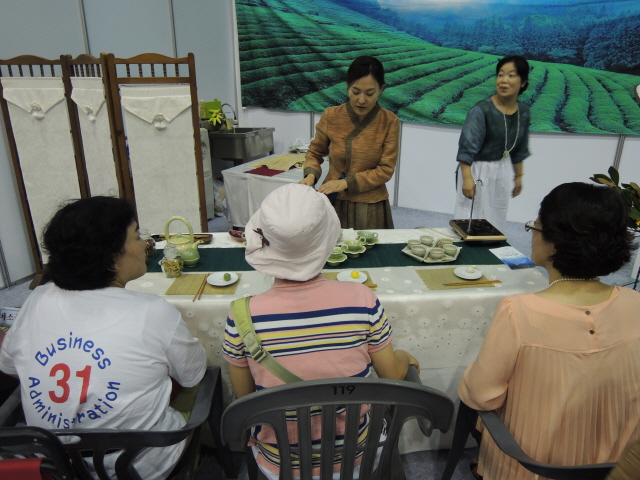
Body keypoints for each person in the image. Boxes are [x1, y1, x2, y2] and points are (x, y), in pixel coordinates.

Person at [0, 196, 207, 480]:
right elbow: (194, 376)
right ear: (112, 258)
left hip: (54, 464)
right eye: (137, 236)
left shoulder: (38, 298)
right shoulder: (152, 311)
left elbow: (9, 366)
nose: (146, 244)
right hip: (140, 464)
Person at [223, 183, 419, 479]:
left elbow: (244, 398)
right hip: (358, 460)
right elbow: (393, 375)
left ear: (262, 240)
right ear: (328, 238)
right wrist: (406, 358)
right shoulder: (363, 299)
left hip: (280, 466)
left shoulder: (240, 315)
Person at [458, 182, 640, 480]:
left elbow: (480, 396)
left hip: (530, 466)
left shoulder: (519, 311)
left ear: (554, 242)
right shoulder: (636, 304)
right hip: (617, 465)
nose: (532, 234)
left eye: (536, 226)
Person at [300, 56, 399, 230]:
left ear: (381, 90)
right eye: (355, 92)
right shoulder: (332, 115)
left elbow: (385, 170)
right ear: (347, 87)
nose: (361, 100)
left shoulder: (389, 121)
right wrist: (311, 175)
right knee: (331, 252)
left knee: (368, 253)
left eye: (370, 93)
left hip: (370, 203)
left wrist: (347, 183)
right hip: (333, 198)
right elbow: (315, 153)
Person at [453, 55, 531, 234]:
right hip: (476, 169)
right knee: (470, 217)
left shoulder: (523, 111)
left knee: (496, 214)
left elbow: (519, 147)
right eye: (500, 74)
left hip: (501, 169)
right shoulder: (480, 110)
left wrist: (518, 176)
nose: (504, 80)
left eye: (511, 75)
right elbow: (466, 148)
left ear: (523, 82)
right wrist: (466, 179)